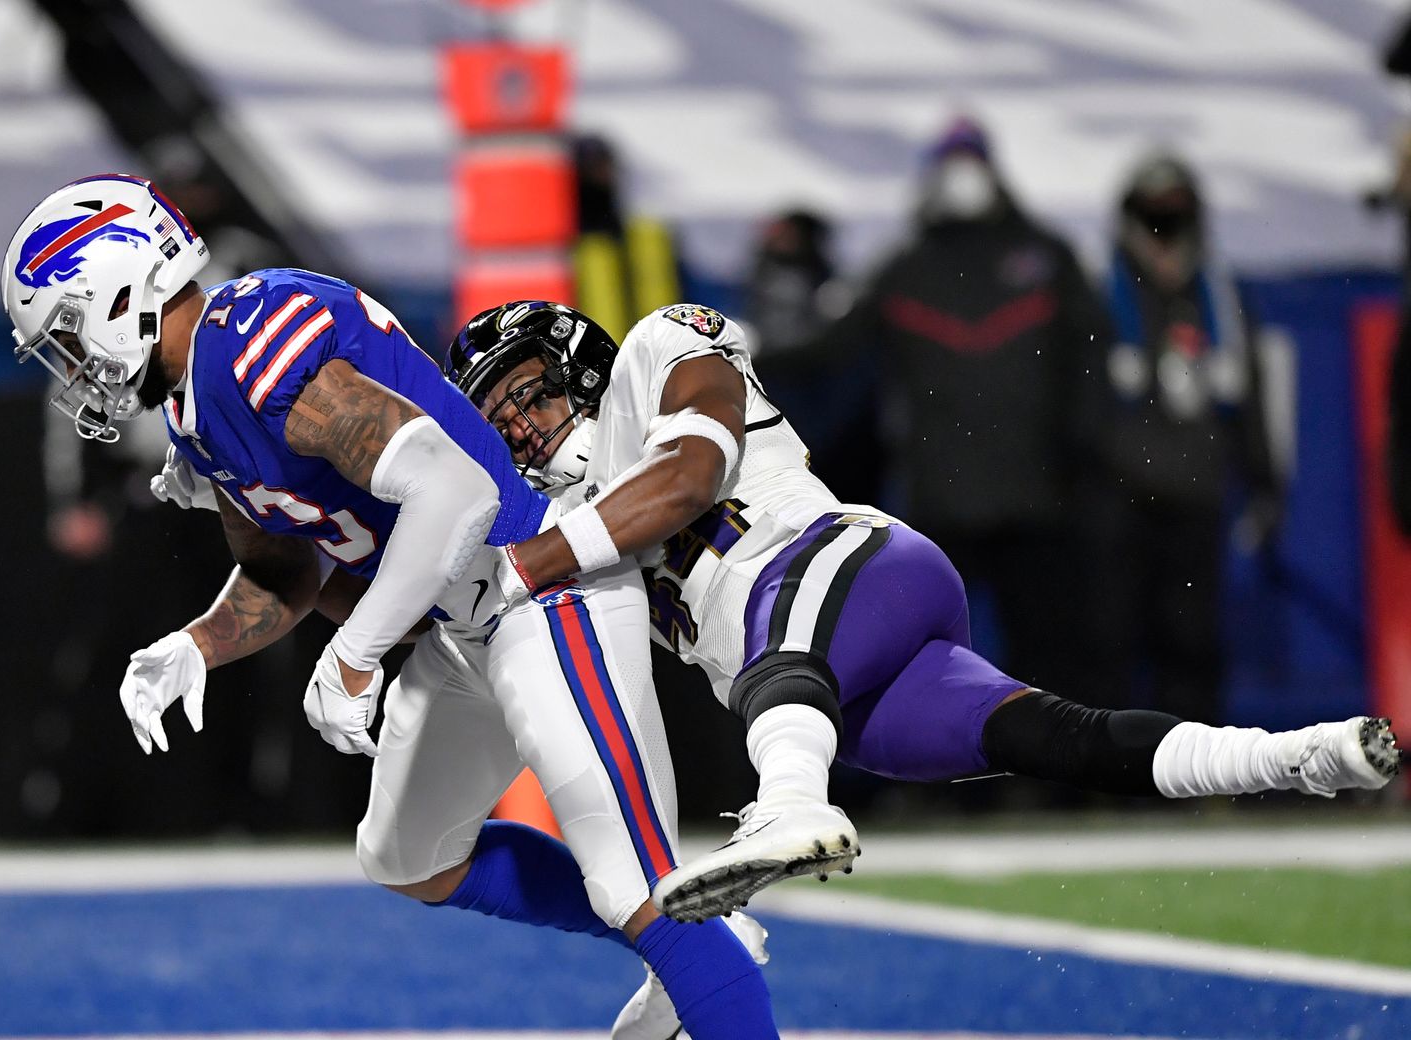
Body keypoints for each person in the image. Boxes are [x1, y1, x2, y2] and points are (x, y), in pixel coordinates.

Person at [0, 174, 778, 1040]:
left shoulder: (251, 341)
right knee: (408, 855)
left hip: (545, 592)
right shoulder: (197, 406)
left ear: (119, 290)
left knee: (635, 885)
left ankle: (687, 945)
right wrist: (197, 645)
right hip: (465, 624)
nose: (72, 370)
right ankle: (687, 941)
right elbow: (283, 571)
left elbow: (456, 491)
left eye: (67, 337)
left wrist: (356, 655)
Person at [441, 298, 1402, 923]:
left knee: (775, 651)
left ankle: (787, 810)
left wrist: (525, 565)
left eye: (525, 392)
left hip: (847, 573)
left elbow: (691, 476)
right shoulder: (556, 520)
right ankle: (1295, 757)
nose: (521, 424)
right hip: (838, 701)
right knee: (1059, 738)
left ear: (574, 361)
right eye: (499, 418)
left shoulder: (656, 353)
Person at [833, 116, 1111, 695]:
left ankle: (1044, 777)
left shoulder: (1047, 257)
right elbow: (834, 355)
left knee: (1044, 640)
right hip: (940, 497)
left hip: (1035, 493)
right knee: (932, 646)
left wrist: (1083, 456)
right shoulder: (902, 270)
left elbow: (1089, 365)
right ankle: (945, 782)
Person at [1091, 153, 1282, 723]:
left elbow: (1249, 400)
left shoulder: (1220, 296)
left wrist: (1264, 483)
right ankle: (1113, 779)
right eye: (1152, 220)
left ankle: (1193, 781)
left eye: (1174, 220)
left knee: (1193, 639)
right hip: (1116, 497)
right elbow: (1071, 404)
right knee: (1109, 637)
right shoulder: (1101, 293)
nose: (1164, 236)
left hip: (1196, 494)